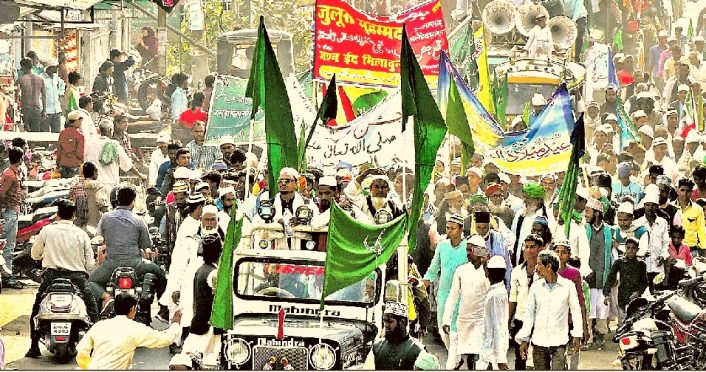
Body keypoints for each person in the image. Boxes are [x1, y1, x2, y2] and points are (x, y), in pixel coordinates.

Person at [25, 199, 99, 358]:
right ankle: (98, 345)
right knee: (92, 307)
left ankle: (34, 347)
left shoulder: (46, 231)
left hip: (51, 276)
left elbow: (34, 254)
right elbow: (90, 263)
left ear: (57, 214)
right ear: (74, 215)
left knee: (36, 309)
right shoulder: (81, 233)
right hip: (77, 277)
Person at [88, 186, 167, 314]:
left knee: (91, 282)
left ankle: (107, 299)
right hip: (136, 264)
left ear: (117, 200)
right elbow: (146, 244)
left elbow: (99, 236)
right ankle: (163, 309)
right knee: (160, 273)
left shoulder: (106, 218)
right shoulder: (139, 220)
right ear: (133, 201)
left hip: (111, 265)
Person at [76, 293, 183, 369]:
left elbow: (81, 351)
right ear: (132, 309)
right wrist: (175, 324)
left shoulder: (99, 326)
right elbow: (165, 339)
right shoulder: (135, 329)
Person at [516, 250, 583, 370]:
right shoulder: (536, 287)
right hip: (539, 341)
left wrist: (577, 335)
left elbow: (576, 311)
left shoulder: (567, 286)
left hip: (559, 341)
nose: (536, 267)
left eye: (539, 264)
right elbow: (529, 315)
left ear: (549, 267)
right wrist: (525, 339)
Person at [442, 234, 490, 370]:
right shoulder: (461, 270)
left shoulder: (489, 271)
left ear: (480, 251)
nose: (468, 253)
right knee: (459, 361)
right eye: (467, 250)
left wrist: (486, 266)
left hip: (481, 322)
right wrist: (446, 320)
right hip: (463, 322)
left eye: (471, 250)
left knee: (478, 359)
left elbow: (492, 291)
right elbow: (452, 296)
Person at [422, 214, 468, 351]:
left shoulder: (468, 247)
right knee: (443, 326)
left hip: (463, 293)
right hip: (444, 293)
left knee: (456, 327)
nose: (449, 231)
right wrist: (421, 287)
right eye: (447, 228)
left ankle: (456, 357)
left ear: (461, 229)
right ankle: (452, 353)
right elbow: (433, 269)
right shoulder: (442, 246)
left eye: (453, 228)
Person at [552, 240, 589, 370]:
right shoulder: (546, 271)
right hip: (555, 320)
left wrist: (584, 325)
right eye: (557, 252)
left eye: (563, 252)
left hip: (571, 319)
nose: (559, 255)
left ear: (569, 255)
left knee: (574, 351)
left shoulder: (573, 273)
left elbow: (580, 300)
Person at [363, 295, 425, 369]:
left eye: (389, 321)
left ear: (402, 322)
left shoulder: (417, 350)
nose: (386, 325)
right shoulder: (377, 347)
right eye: (384, 321)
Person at [509, 234, 543, 370]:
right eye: (526, 247)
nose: (529, 250)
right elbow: (513, 298)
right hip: (520, 318)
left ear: (540, 249)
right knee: (520, 357)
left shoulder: (544, 272)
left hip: (538, 320)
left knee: (538, 358)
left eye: (532, 247)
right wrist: (508, 321)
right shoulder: (517, 271)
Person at [84, 120, 145, 190]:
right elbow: (127, 164)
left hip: (93, 185)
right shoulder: (114, 145)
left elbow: (85, 163)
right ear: (110, 130)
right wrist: (140, 175)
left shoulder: (89, 144)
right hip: (109, 185)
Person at [603, 237, 648, 325]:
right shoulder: (619, 262)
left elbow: (644, 282)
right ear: (625, 248)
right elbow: (610, 278)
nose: (630, 251)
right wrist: (606, 293)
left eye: (633, 248)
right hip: (622, 297)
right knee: (622, 325)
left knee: (635, 324)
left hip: (635, 300)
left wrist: (638, 292)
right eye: (628, 248)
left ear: (637, 249)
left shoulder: (641, 264)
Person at [479, 255, 509, 370]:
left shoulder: (496, 295)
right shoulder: (498, 291)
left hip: (492, 353)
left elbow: (498, 325)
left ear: (488, 271)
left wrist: (501, 359)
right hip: (491, 351)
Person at [0, 148, 24, 289]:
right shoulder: (10, 175)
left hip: (12, 211)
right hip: (10, 212)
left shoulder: (12, 173)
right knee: (8, 246)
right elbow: (2, 193)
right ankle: (7, 276)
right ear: (20, 159)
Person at [69, 162, 110, 230]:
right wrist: (108, 214)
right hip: (94, 225)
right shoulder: (98, 185)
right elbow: (101, 202)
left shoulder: (75, 186)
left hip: (78, 225)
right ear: (94, 172)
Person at [675, 178, 706, 257]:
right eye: (682, 190)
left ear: (691, 192)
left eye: (688, 191)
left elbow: (701, 230)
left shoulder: (698, 209)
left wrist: (704, 249)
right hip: (673, 250)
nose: (685, 193)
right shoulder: (671, 208)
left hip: (691, 251)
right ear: (677, 190)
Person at [16, 57, 46, 132]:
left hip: (25, 109)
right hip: (37, 109)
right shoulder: (40, 79)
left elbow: (16, 95)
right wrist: (44, 110)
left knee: (25, 133)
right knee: (35, 133)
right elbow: (44, 96)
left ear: (23, 66)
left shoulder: (21, 79)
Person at [56, 110, 85, 178]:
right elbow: (80, 153)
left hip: (64, 164)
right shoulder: (80, 136)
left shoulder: (62, 133)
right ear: (75, 121)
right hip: (75, 165)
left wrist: (58, 162)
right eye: (80, 121)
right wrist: (83, 161)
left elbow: (59, 150)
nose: (80, 123)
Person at [41, 59, 65, 133]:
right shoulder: (41, 78)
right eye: (55, 67)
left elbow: (62, 84)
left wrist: (60, 93)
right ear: (50, 68)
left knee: (57, 133)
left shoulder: (56, 78)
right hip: (46, 110)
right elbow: (39, 95)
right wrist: (42, 109)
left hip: (56, 109)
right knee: (44, 132)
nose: (57, 69)